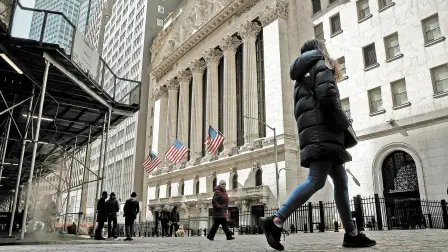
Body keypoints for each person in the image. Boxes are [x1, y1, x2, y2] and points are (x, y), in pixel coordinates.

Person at [260, 39, 377, 251]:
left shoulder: (300, 77)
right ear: (321, 50)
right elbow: (328, 97)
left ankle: (351, 234)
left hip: (315, 132)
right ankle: (276, 220)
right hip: (324, 131)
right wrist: (343, 123)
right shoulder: (321, 66)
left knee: (340, 181)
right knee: (316, 180)